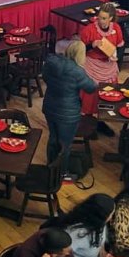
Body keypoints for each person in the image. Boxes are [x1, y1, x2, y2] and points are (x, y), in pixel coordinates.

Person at [41, 41, 97, 174]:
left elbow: (44, 77)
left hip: (49, 107)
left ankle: (50, 166)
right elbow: (91, 88)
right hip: (68, 113)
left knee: (53, 138)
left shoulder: (52, 63)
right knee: (65, 145)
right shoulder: (77, 72)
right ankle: (61, 172)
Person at [41, 194, 115, 257]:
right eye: (111, 214)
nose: (112, 217)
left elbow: (101, 245)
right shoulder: (76, 234)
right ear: (101, 217)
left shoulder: (100, 224)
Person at [79, 3, 123, 116]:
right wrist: (92, 45)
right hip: (93, 67)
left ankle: (103, 118)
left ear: (111, 18)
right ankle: (88, 120)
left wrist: (116, 57)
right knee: (91, 95)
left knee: (108, 93)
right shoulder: (89, 30)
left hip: (109, 66)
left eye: (104, 18)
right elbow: (80, 50)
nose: (101, 21)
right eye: (99, 18)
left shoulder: (116, 28)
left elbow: (119, 46)